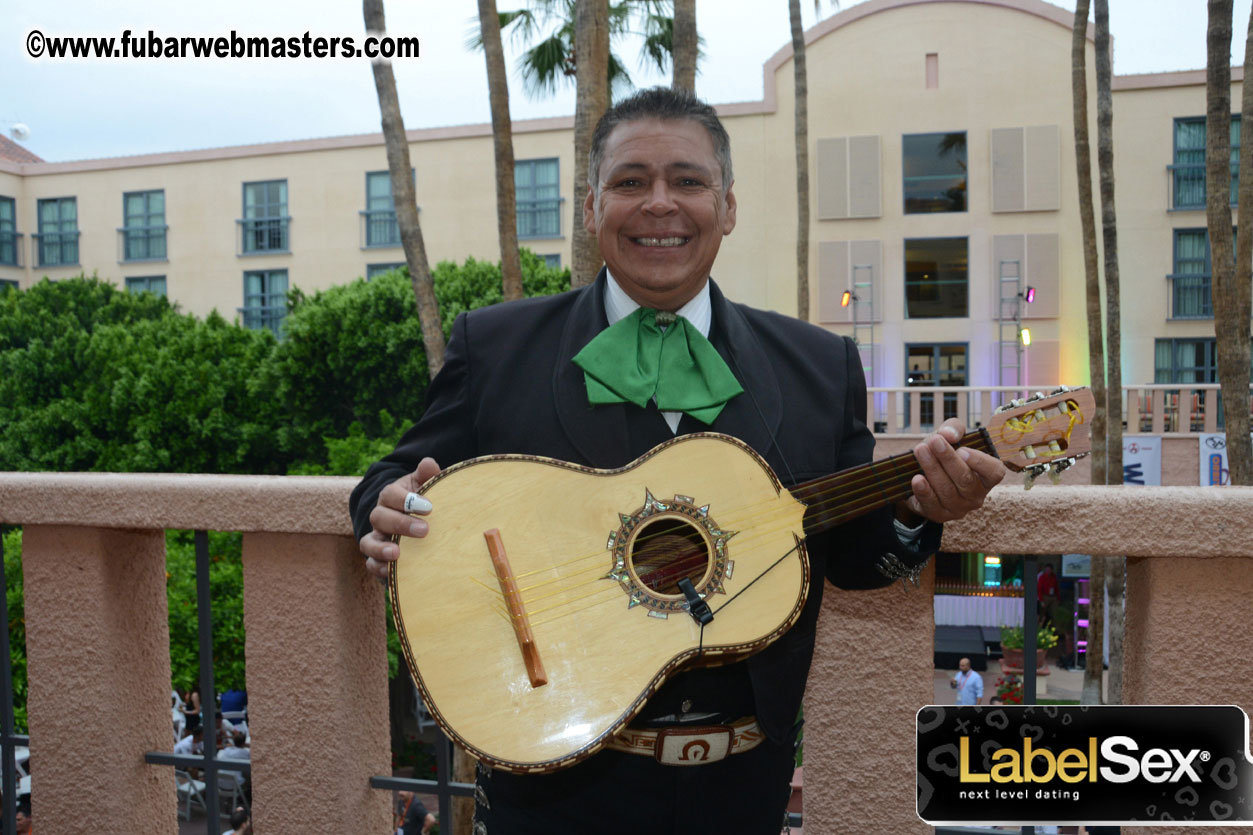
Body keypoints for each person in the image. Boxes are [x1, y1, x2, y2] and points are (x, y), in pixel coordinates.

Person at [350, 86, 1004, 834]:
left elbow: (855, 555)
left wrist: (920, 509)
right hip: (550, 787)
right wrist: (386, 502)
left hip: (737, 790)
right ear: (591, 206)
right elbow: (390, 478)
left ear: (726, 206)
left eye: (687, 181)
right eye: (631, 181)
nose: (659, 203)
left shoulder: (818, 365)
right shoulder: (495, 347)